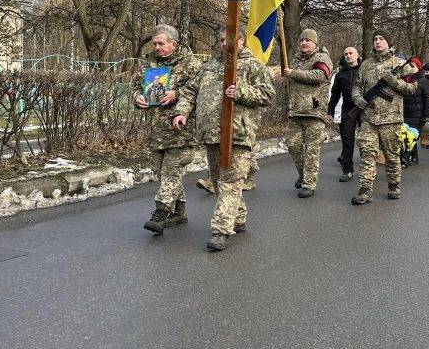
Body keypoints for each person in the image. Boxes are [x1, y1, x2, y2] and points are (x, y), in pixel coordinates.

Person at [171, 27, 275, 251]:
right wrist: (181, 111)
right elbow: (190, 91)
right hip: (211, 134)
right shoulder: (209, 66)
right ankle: (237, 218)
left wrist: (241, 92)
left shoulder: (252, 65)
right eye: (220, 40)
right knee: (221, 181)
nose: (224, 45)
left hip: (238, 134)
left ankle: (220, 230)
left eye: (229, 40)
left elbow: (268, 94)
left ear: (241, 41)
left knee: (230, 182)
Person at [132, 24, 201, 234]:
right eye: (154, 43)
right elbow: (135, 86)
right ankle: (179, 213)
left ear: (174, 43)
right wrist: (137, 97)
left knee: (171, 171)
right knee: (164, 175)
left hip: (181, 130)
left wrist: (177, 94)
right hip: (156, 130)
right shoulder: (149, 63)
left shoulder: (191, 63)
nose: (157, 47)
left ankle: (160, 213)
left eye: (161, 43)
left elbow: (201, 90)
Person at [350, 28, 418, 205]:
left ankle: (394, 185)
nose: (378, 42)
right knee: (367, 154)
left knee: (392, 155)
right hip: (368, 118)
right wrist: (358, 99)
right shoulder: (365, 65)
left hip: (391, 119)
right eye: (375, 39)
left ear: (388, 42)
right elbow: (356, 86)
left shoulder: (401, 64)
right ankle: (365, 190)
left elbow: (412, 89)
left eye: (381, 39)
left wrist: (393, 81)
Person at [283, 28, 333, 198]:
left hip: (314, 111)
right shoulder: (296, 59)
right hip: (296, 110)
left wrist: (294, 74)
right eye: (301, 40)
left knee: (312, 150)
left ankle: (309, 184)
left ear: (314, 43)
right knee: (293, 145)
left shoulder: (321, 57)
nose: (304, 43)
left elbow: (320, 75)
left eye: (307, 40)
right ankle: (304, 174)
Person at [328, 46, 361, 182]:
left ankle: (368, 168)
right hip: (347, 110)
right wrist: (330, 111)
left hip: (365, 109)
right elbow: (335, 94)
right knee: (347, 140)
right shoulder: (341, 73)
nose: (348, 56)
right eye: (346, 54)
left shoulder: (364, 69)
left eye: (351, 53)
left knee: (367, 140)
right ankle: (347, 170)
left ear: (356, 55)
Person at [401, 58, 429, 165]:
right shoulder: (405, 79)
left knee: (412, 134)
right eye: (409, 65)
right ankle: (414, 156)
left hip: (417, 113)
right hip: (405, 112)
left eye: (413, 65)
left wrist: (426, 115)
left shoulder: (423, 81)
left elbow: (427, 99)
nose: (411, 68)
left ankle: (406, 157)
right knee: (406, 135)